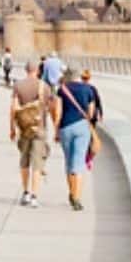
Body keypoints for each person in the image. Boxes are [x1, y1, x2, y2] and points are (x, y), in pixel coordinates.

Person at [51, 68, 103, 211]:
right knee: (79, 162)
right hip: (82, 127)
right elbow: (91, 113)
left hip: (65, 127)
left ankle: (72, 193)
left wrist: (56, 131)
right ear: (79, 76)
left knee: (68, 162)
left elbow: (58, 112)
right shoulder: (88, 90)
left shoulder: (62, 90)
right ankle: (76, 197)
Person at [9, 59, 52, 207]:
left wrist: (12, 128)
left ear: (26, 70)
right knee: (37, 163)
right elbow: (51, 107)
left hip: (24, 128)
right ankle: (34, 195)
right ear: (37, 70)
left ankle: (26, 192)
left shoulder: (18, 86)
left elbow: (13, 108)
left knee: (24, 161)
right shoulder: (44, 86)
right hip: (39, 128)